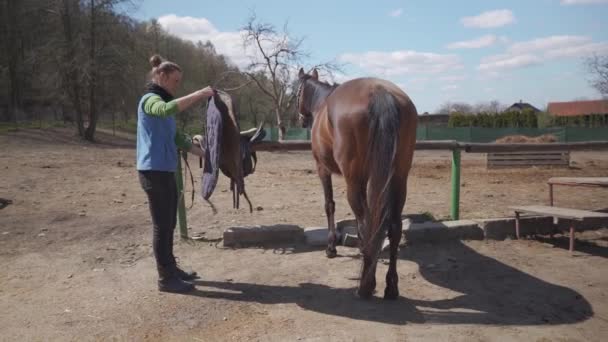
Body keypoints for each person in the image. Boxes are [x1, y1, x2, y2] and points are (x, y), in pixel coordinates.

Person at [137, 54, 214, 293]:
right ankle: (165, 279)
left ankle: (171, 269)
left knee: (169, 223)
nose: (177, 85)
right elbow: (164, 109)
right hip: (153, 171)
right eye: (175, 80)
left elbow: (177, 138)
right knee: (162, 225)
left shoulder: (165, 106)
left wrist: (205, 154)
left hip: (165, 169)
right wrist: (199, 94)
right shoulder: (150, 101)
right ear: (161, 76)